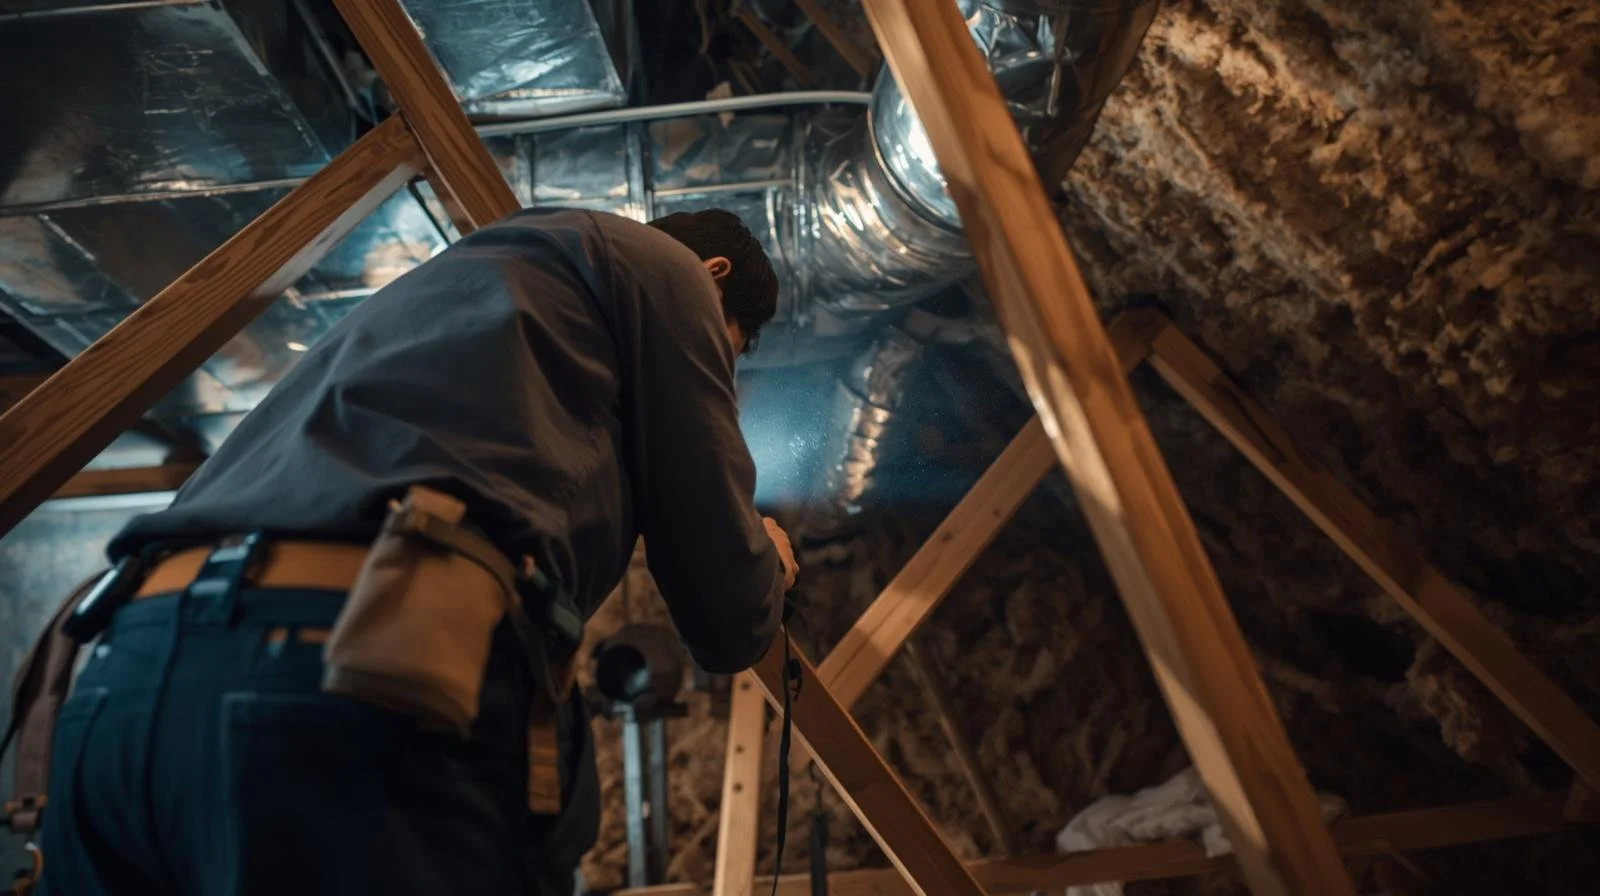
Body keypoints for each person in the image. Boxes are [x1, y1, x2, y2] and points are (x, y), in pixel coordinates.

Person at [33, 207, 799, 895]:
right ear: (713, 274)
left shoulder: (468, 282)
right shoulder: (669, 273)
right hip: (350, 664)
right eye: (726, 354)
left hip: (123, 678)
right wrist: (767, 563)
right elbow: (725, 618)